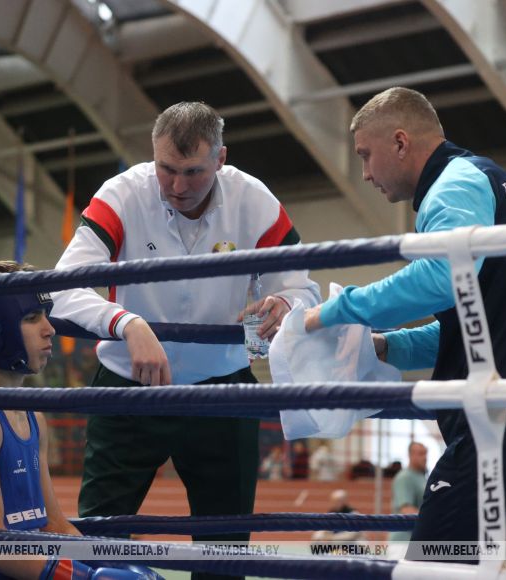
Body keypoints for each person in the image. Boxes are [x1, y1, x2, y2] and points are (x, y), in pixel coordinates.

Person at [304, 87, 506, 568]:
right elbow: (475, 331)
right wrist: (385, 347)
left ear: (400, 142)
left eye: (366, 155)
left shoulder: (454, 186)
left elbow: (442, 277)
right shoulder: (487, 180)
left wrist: (337, 310)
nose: (365, 173)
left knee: (430, 571)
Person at [52, 102, 320, 579]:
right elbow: (61, 286)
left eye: (192, 171)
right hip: (128, 387)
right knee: (97, 542)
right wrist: (126, 323)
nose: (177, 185)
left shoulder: (254, 200)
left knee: (225, 554)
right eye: (166, 169)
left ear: (220, 158)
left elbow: (303, 289)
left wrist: (285, 303)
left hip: (222, 393)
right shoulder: (122, 194)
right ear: (152, 155)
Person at [0, 260, 158, 580]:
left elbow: (54, 524)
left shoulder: (33, 416)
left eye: (46, 315)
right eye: (31, 317)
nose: (50, 329)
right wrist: (84, 578)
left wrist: (108, 562)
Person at [389, 442, 428, 543]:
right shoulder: (405, 477)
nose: (425, 457)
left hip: (416, 540)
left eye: (425, 453)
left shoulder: (422, 478)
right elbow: (406, 510)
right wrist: (433, 518)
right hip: (403, 542)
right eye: (421, 454)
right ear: (411, 455)